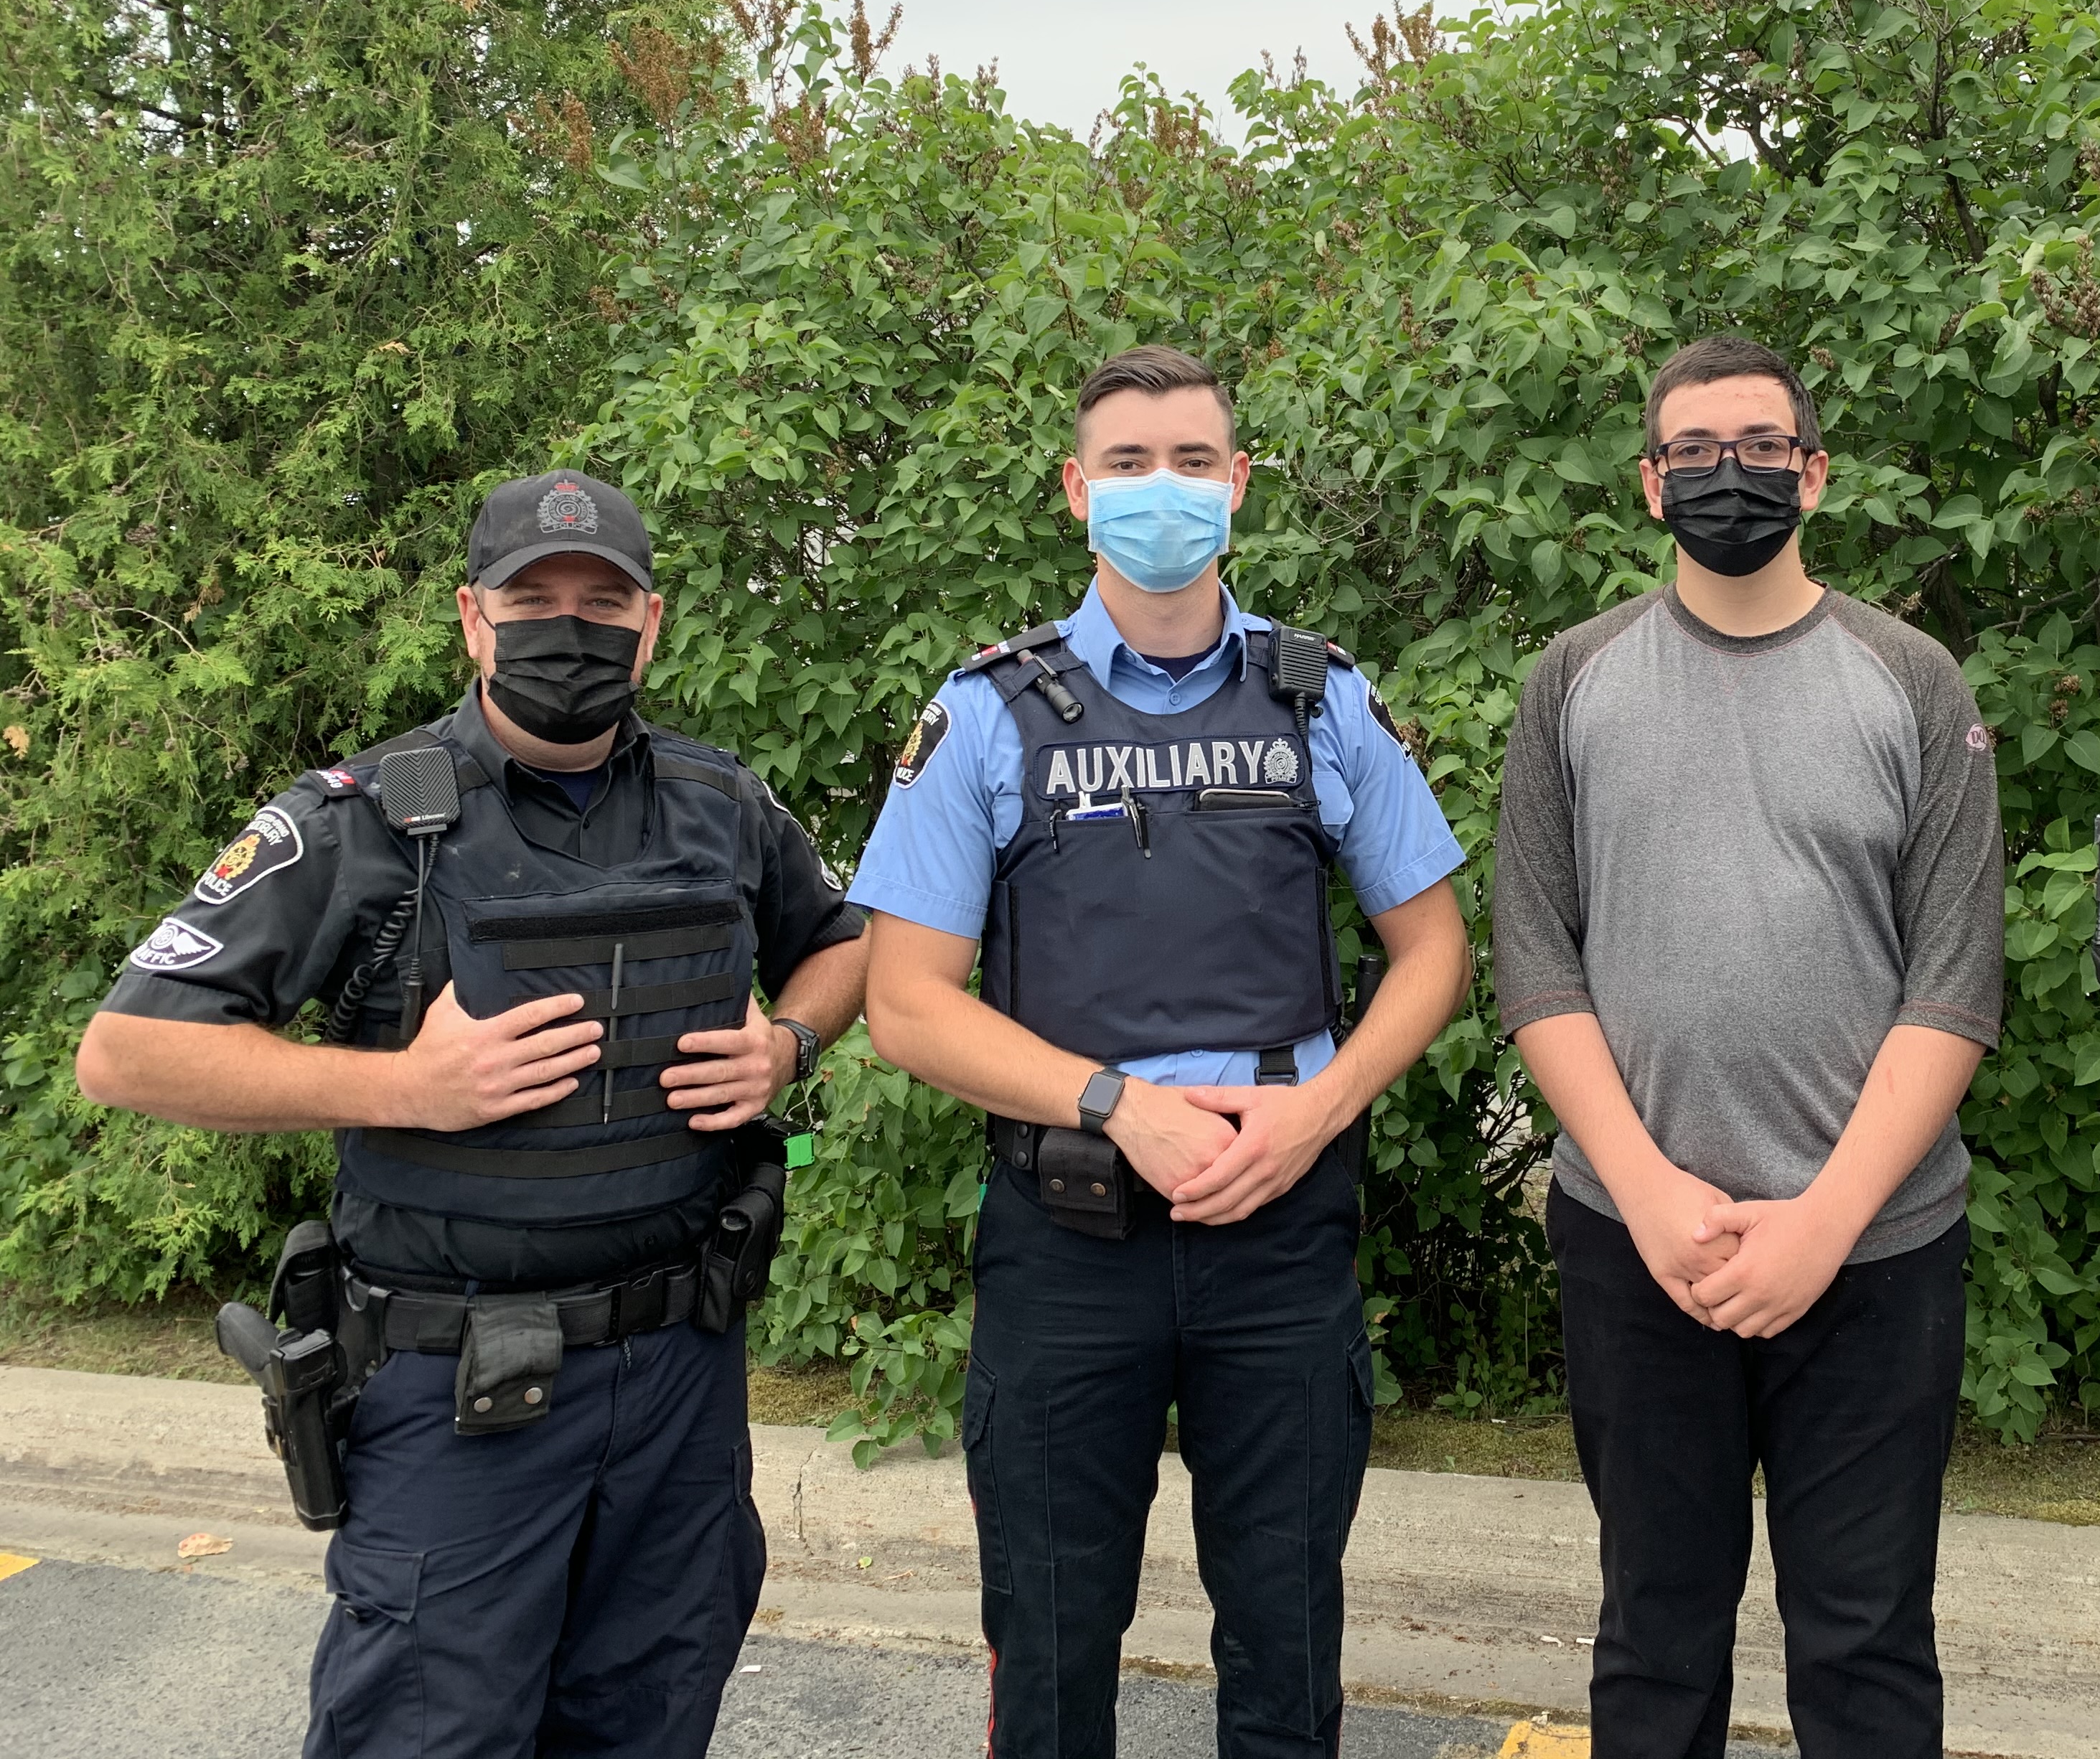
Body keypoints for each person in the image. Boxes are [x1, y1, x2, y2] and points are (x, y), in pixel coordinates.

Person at [73, 469, 868, 1758]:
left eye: (602, 600)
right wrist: (403, 1087)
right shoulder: (363, 821)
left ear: (651, 624)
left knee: (654, 1717)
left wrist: (789, 1043)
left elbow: (847, 945)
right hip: (461, 1395)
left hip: (681, 1377)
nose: (571, 624)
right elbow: (127, 1051)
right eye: (532, 598)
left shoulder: (723, 805)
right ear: (472, 618)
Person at [851, 344, 1471, 1759]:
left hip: (1284, 1223)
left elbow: (1432, 953)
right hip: (1070, 1234)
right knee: (1053, 1637)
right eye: (1128, 464)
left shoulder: (1325, 699)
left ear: (1238, 487)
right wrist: (1119, 1104)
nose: (1162, 489)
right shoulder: (988, 715)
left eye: (1193, 461)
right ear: (1078, 493)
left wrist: (1318, 1115)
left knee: (1284, 1624)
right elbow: (906, 1003)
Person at [1491, 334, 2005, 1759]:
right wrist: (1652, 1196)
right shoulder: (1571, 681)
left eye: (1763, 448)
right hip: (1634, 1243)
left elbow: (1955, 984)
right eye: (1697, 453)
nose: (1732, 475)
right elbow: (1537, 961)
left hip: (1879, 1250)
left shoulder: (1914, 681)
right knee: (1656, 1632)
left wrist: (1825, 1224)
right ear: (1651, 486)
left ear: (1815, 472)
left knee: (1867, 1636)